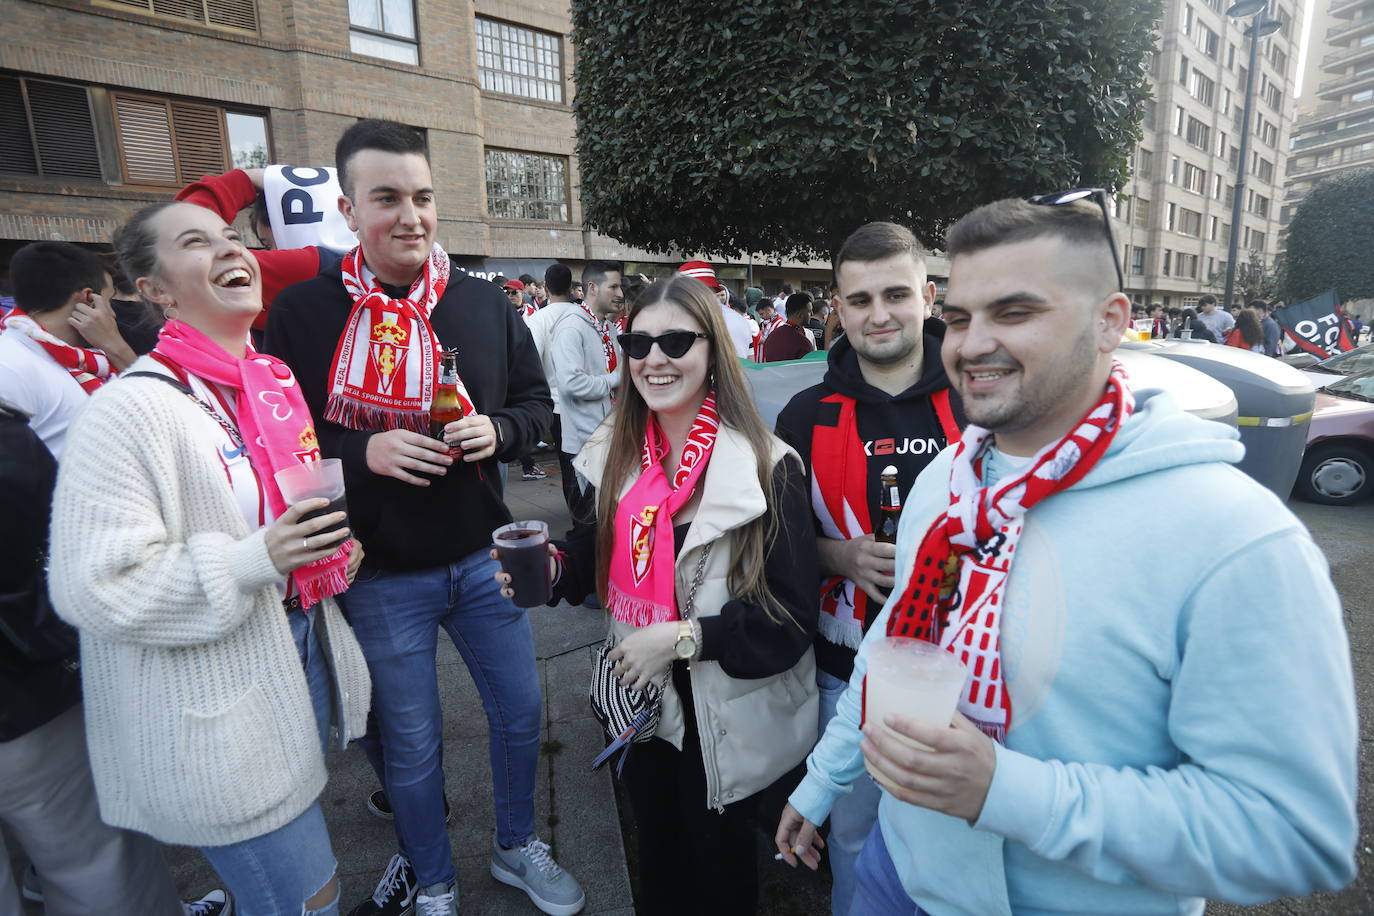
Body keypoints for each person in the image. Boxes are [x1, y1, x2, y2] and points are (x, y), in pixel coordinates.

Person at [775, 195, 1357, 914]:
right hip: (897, 875)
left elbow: (1292, 834)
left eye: (1014, 312)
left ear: (1110, 321)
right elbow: (895, 645)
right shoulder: (945, 486)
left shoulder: (1231, 537)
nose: (970, 344)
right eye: (959, 318)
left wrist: (1004, 793)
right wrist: (824, 781)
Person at [262, 120, 580, 916]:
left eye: (424, 196)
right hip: (377, 573)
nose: (411, 215)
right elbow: (277, 447)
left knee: (522, 713)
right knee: (410, 746)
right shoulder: (301, 313)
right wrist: (360, 451)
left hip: (484, 557)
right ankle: (433, 882)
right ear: (347, 208)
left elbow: (538, 410)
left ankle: (515, 845)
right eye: (387, 198)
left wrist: (500, 431)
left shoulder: (482, 302)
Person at [48, 200, 373, 916]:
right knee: (307, 899)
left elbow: (280, 525)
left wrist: (323, 555)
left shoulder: (266, 383)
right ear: (154, 288)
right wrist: (255, 558)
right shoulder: (128, 410)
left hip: (296, 654)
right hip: (216, 706)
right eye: (197, 243)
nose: (232, 250)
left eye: (233, 236)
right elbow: (93, 586)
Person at [498, 275, 818, 915]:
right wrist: (556, 572)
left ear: (712, 351)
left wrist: (684, 636)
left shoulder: (765, 466)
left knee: (719, 879)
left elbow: (789, 617)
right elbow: (598, 553)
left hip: (724, 723)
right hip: (643, 709)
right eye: (637, 342)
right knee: (661, 872)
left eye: (675, 340)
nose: (654, 358)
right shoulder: (615, 456)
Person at [773, 221, 962, 916]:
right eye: (860, 300)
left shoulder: (980, 402)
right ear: (838, 308)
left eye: (896, 294)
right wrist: (838, 555)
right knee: (853, 837)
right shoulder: (802, 415)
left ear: (928, 295)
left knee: (959, 846)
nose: (878, 314)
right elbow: (772, 543)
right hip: (844, 668)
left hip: (966, 676)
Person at [0, 242, 137, 460]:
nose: (113, 313)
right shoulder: (9, 364)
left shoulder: (85, 362)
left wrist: (116, 347)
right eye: (109, 301)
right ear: (87, 299)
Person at [549, 260, 622, 515]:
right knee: (588, 523)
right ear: (592, 287)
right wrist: (616, 378)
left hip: (611, 438)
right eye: (613, 287)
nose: (620, 294)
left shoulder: (608, 328)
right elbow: (571, 384)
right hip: (585, 443)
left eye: (620, 287)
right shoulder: (571, 327)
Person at [527, 263, 582, 511]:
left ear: (546, 288)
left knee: (567, 461)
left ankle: (578, 515)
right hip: (589, 398)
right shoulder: (584, 315)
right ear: (571, 288)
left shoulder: (537, 319)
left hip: (558, 403)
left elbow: (532, 363)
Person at [762, 292, 818, 362]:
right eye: (809, 311)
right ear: (799, 315)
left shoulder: (771, 337)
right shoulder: (802, 342)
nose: (812, 314)